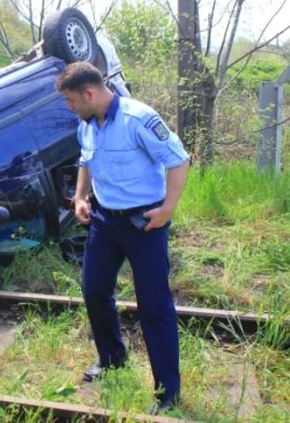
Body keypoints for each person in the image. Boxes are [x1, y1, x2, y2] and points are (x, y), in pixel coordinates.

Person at [55, 62, 190, 413]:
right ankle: (112, 358)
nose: (69, 107)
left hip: (144, 224)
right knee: (95, 290)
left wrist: (168, 209)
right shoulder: (86, 124)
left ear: (89, 93)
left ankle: (167, 392)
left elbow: (178, 160)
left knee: (154, 306)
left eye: (71, 100)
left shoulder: (138, 119)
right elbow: (87, 161)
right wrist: (82, 197)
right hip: (104, 221)